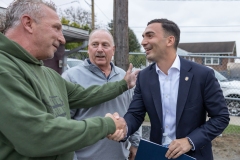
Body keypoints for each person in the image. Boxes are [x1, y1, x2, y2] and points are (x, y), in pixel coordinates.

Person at [0, 0, 137, 159]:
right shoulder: (5, 69)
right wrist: (107, 125)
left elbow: (86, 95)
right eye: (56, 28)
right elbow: (37, 135)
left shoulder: (47, 73)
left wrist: (123, 84)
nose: (62, 39)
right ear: (28, 23)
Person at [110, 18, 230, 160]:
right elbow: (135, 114)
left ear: (170, 40)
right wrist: (124, 127)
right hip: (157, 155)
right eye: (143, 37)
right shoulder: (144, 77)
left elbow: (221, 117)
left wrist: (190, 141)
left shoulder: (202, 75)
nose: (143, 42)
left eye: (150, 35)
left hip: (193, 155)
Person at [62, 29, 141, 160]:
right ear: (88, 49)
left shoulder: (124, 77)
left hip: (120, 156)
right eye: (95, 44)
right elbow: (63, 123)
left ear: (113, 50)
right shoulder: (71, 77)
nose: (99, 49)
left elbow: (134, 112)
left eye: (105, 45)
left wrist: (135, 143)